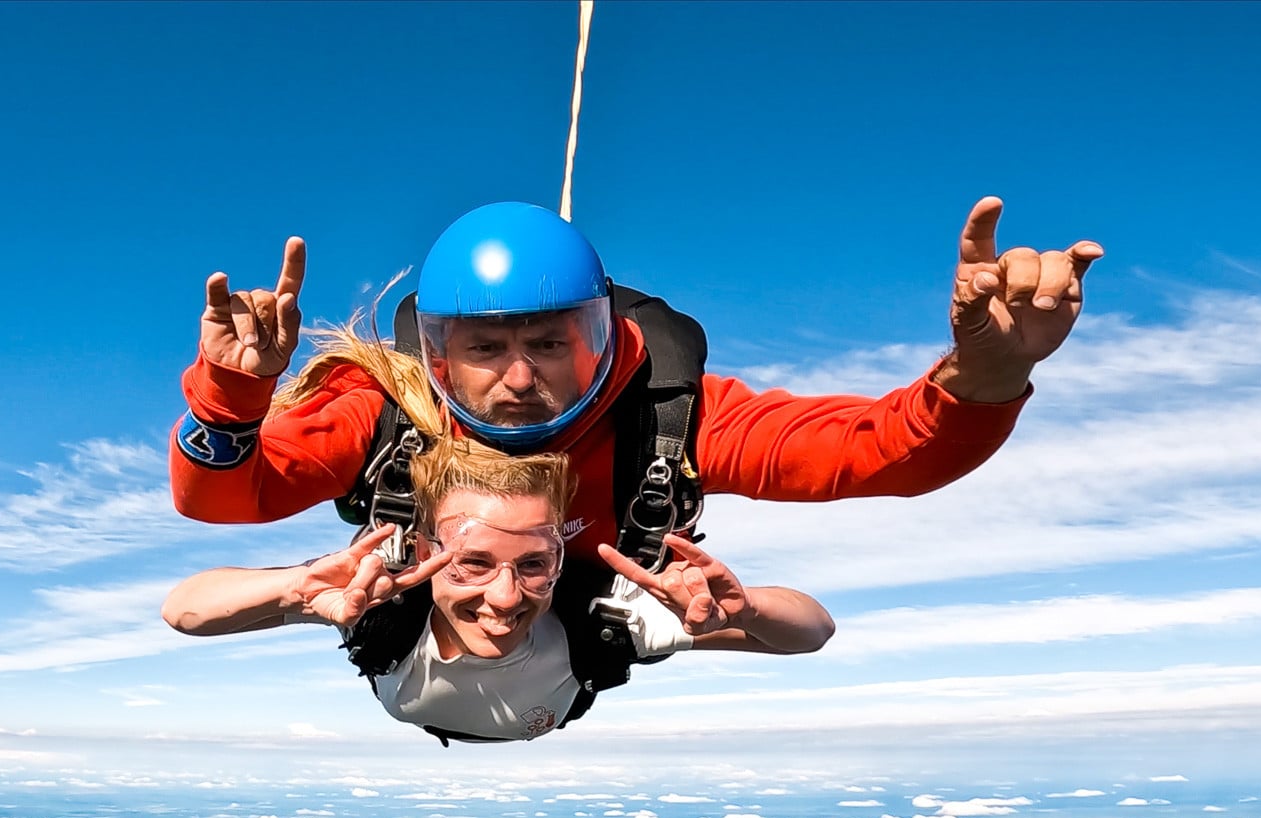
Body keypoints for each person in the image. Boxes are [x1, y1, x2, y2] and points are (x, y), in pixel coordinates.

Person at [168, 198, 1104, 574]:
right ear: (436, 356)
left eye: (555, 341)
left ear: (604, 330)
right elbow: (226, 496)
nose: (524, 379)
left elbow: (876, 452)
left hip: (587, 611)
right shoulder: (385, 413)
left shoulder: (671, 413)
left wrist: (987, 370)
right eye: (485, 350)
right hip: (439, 607)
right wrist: (231, 398)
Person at [161, 439, 833, 743]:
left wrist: (746, 610)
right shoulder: (381, 601)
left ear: (560, 560)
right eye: (472, 563)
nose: (507, 599)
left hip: (529, 701)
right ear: (424, 553)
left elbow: (812, 630)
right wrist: (298, 587)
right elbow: (184, 611)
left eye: (535, 566)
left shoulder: (603, 616)